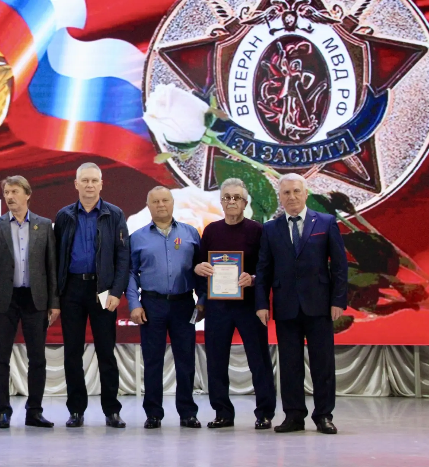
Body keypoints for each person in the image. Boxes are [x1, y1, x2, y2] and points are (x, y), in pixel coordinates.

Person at [255, 173, 348, 434]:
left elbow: (339, 266)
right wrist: (261, 303)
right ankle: (294, 416)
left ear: (306, 193)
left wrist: (338, 300)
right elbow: (263, 269)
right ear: (280, 197)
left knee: (323, 364)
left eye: (296, 191)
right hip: (285, 306)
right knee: (289, 365)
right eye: (286, 192)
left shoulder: (326, 222)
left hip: (319, 305)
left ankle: (324, 415)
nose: (292, 196)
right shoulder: (270, 228)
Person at [194, 178, 276, 430]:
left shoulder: (257, 230)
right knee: (216, 360)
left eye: (236, 198)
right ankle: (222, 413)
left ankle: (265, 413)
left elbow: (267, 268)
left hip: (249, 305)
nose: (231, 201)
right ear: (221, 202)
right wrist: (199, 268)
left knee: (258, 359)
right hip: (218, 306)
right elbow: (199, 264)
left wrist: (253, 278)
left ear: (245, 203)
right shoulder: (211, 231)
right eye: (227, 197)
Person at [54, 162, 130, 428]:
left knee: (106, 352)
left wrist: (117, 291)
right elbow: (56, 257)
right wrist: (56, 295)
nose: (89, 185)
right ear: (76, 184)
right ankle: (76, 410)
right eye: (84, 180)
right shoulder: (64, 215)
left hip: (103, 289)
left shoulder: (115, 214)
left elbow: (123, 257)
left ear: (101, 184)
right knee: (72, 353)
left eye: (94, 180)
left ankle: (112, 410)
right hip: (72, 289)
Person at [0, 176, 60, 429]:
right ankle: (2, 412)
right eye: (6, 192)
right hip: (4, 299)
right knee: (1, 357)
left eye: (14, 191)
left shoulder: (44, 225)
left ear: (27, 194)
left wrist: (54, 302)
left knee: (37, 358)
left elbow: (51, 266)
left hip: (35, 299)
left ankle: (34, 411)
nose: (10, 196)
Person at [127, 186, 203, 429]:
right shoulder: (137, 237)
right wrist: (134, 304)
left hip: (184, 304)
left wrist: (202, 300)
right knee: (152, 361)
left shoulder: (191, 233)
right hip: (152, 305)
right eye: (155, 201)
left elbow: (201, 270)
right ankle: (153, 414)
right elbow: (131, 273)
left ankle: (188, 413)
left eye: (165, 200)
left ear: (172, 203)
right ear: (148, 206)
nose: (161, 205)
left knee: (186, 360)